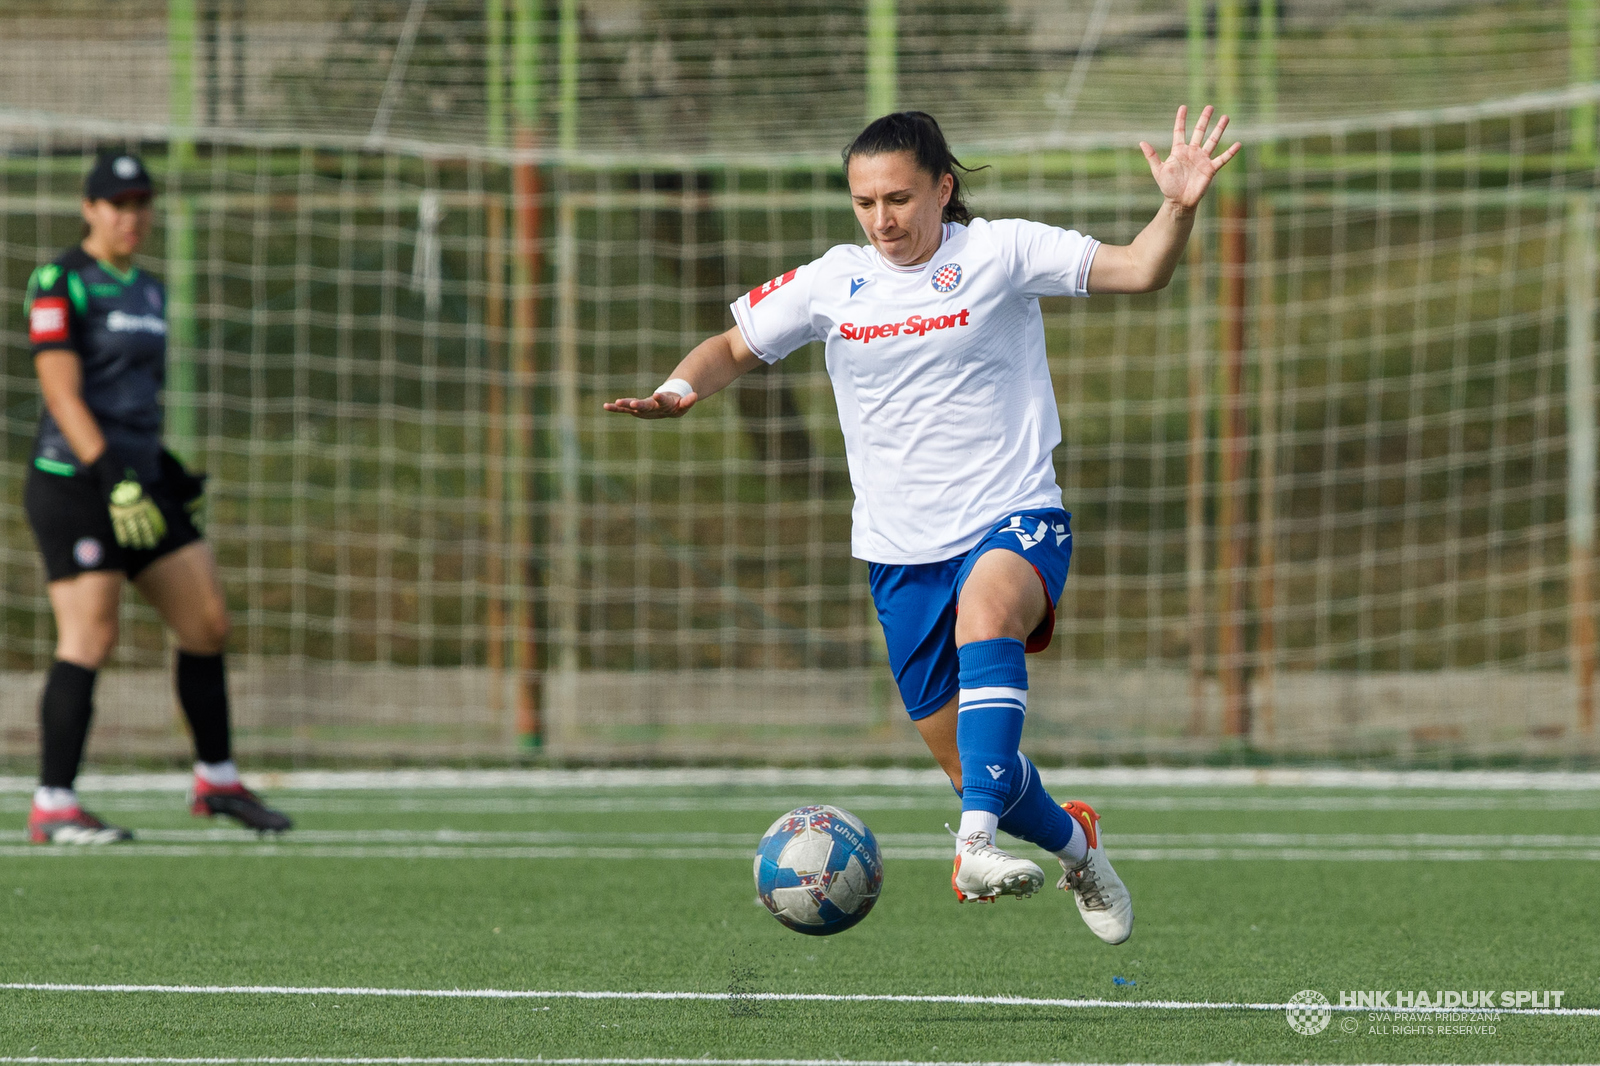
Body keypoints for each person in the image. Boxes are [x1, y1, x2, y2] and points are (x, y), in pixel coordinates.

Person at [606, 107, 1238, 944]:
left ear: (943, 188)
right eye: (865, 203)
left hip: (1014, 516)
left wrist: (1179, 208)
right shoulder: (834, 281)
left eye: (899, 198)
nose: (883, 220)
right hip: (899, 554)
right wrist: (679, 392)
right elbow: (731, 346)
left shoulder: (1000, 251)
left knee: (989, 616)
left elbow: (1138, 268)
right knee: (980, 769)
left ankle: (970, 847)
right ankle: (1077, 844)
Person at [21, 152, 292, 843]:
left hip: (139, 485)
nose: (131, 215)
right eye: (117, 203)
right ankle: (54, 804)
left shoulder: (149, 291)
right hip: (76, 484)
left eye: (141, 203)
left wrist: (160, 468)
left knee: (206, 620)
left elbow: (135, 401)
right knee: (91, 635)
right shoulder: (60, 282)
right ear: (88, 208)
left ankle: (218, 782)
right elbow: (62, 393)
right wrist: (113, 474)